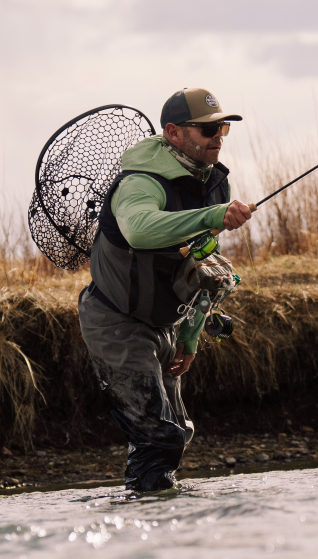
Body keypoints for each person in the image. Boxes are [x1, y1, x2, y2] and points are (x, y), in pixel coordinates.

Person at [78, 88, 254, 492]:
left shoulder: (214, 185)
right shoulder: (141, 182)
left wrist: (190, 338)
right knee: (159, 439)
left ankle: (156, 520)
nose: (219, 137)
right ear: (174, 133)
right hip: (116, 321)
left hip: (165, 327)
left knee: (178, 433)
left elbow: (204, 265)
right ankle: (147, 534)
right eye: (208, 128)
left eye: (223, 127)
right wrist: (213, 215)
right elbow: (139, 229)